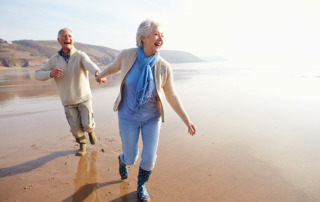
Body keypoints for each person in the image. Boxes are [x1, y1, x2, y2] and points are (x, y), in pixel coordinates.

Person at [96, 19, 196, 202]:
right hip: (127, 117)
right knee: (131, 158)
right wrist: (100, 75)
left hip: (152, 118)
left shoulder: (164, 67)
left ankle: (141, 185)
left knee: (149, 158)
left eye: (162, 36)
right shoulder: (127, 56)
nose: (160, 39)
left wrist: (187, 120)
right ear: (143, 37)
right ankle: (122, 159)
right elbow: (113, 67)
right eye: (156, 34)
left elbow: (171, 95)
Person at [35, 28, 106, 156]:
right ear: (58, 40)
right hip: (67, 101)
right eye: (64, 36)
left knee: (88, 124)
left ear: (73, 39)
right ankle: (82, 146)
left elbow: (90, 64)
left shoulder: (80, 55)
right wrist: (50, 73)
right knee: (76, 128)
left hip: (84, 97)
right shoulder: (54, 59)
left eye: (70, 36)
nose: (67, 38)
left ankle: (91, 131)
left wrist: (97, 73)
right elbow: (37, 74)